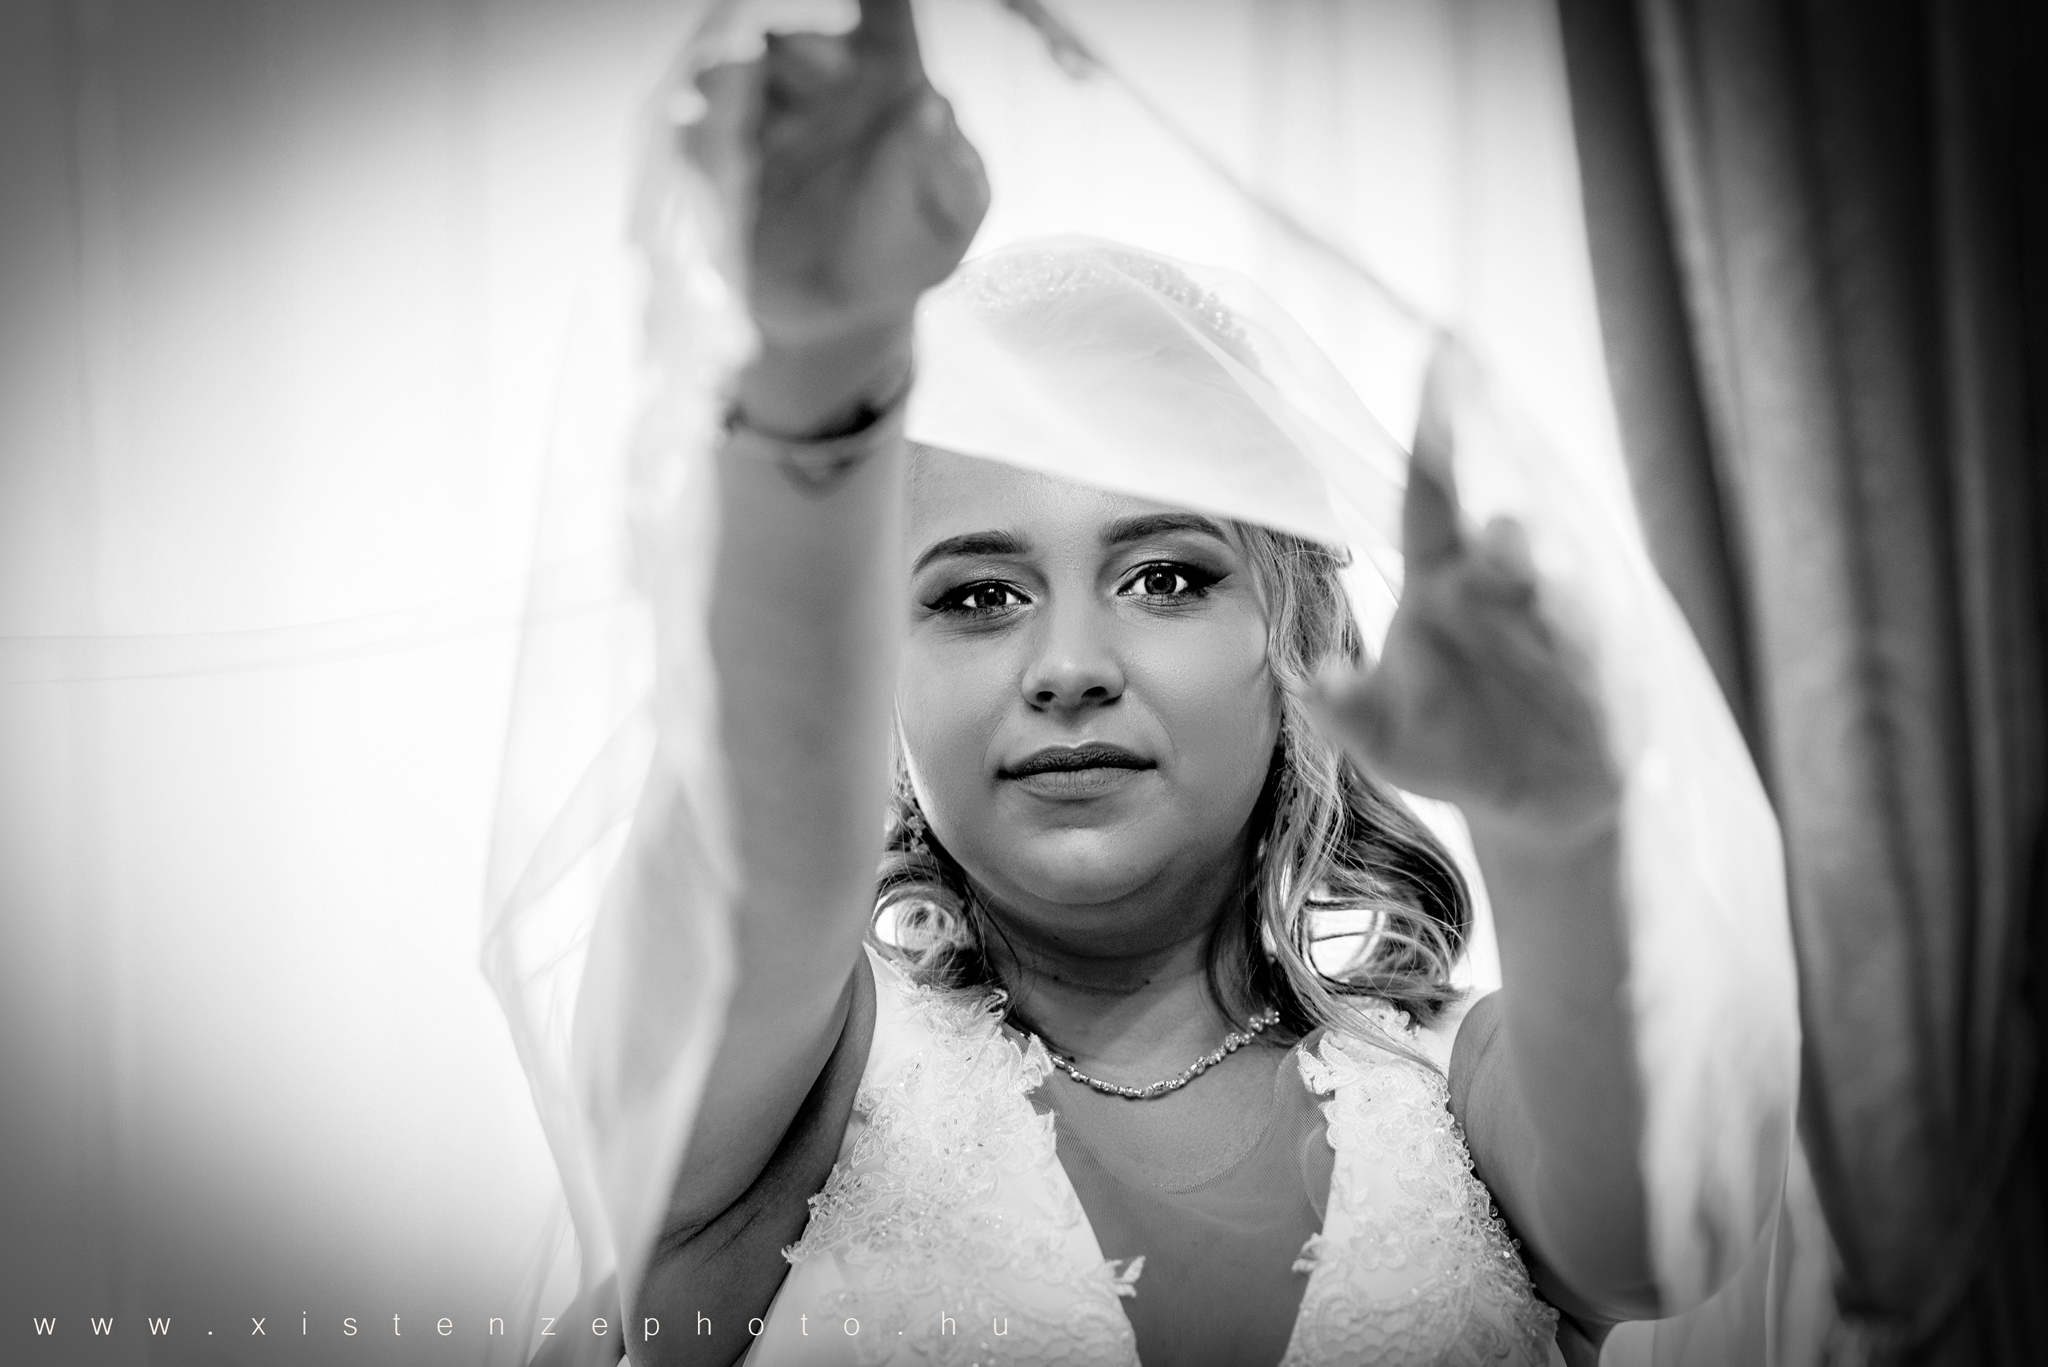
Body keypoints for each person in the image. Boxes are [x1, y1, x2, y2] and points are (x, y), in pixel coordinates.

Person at [522, 1, 1793, 1363]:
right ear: (872, 675)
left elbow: (1668, 1232)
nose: (1070, 668)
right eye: (975, 595)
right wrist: (819, 372)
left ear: (1297, 638)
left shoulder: (1466, 1091)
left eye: (1167, 577)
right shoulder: (774, 1096)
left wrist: (1553, 822)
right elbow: (761, 833)